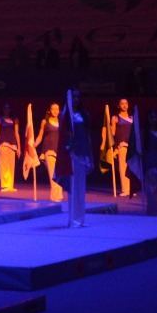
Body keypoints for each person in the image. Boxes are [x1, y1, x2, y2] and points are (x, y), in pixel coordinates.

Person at [65, 91, 93, 228]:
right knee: (73, 187)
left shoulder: (84, 114)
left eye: (78, 97)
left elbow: (88, 136)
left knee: (81, 188)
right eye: (73, 97)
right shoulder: (66, 114)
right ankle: (72, 219)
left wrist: (90, 156)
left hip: (83, 152)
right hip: (72, 154)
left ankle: (81, 219)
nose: (76, 99)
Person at [36, 102, 64, 202]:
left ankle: (58, 196)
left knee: (60, 174)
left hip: (60, 151)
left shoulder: (62, 121)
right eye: (53, 109)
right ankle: (54, 197)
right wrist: (34, 144)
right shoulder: (45, 121)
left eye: (57, 109)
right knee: (53, 174)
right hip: (49, 150)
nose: (56, 111)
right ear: (50, 110)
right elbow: (40, 135)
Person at [110, 98, 134, 197]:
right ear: (119, 106)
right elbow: (113, 133)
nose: (124, 105)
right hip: (121, 146)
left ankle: (132, 189)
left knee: (132, 168)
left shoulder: (132, 118)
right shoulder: (116, 118)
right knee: (123, 168)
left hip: (131, 146)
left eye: (126, 103)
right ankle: (125, 189)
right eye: (122, 104)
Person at [0, 106, 21, 192]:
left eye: (8, 108)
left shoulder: (14, 120)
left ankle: (10, 185)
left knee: (11, 165)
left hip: (12, 145)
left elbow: (17, 133)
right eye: (5, 108)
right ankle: (4, 185)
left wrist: (19, 147)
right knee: (4, 165)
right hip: (3, 144)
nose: (7, 110)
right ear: (3, 109)